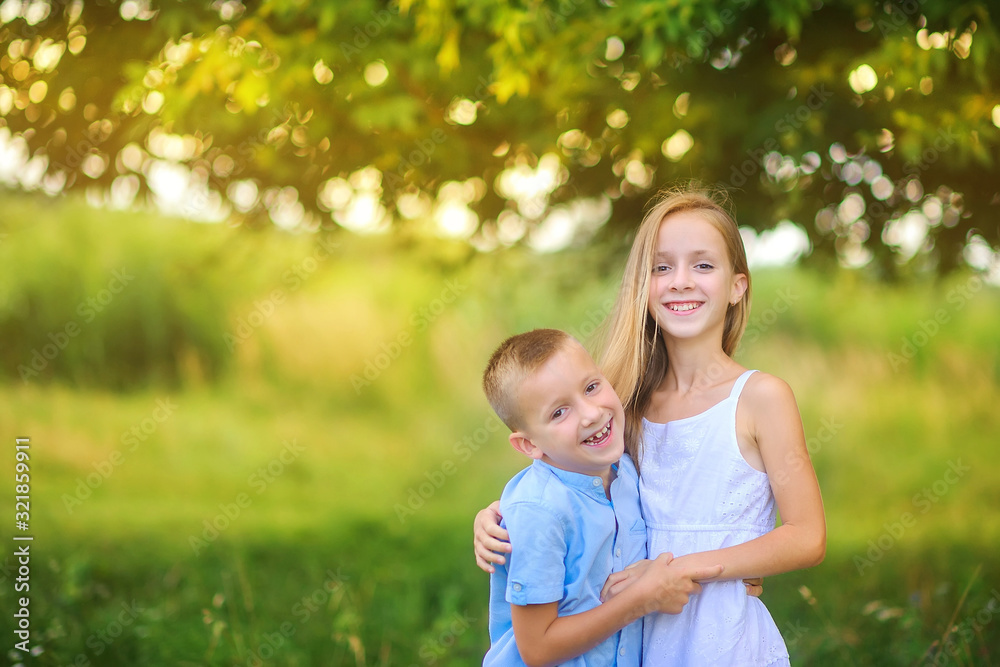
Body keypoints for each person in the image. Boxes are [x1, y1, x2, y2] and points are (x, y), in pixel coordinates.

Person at [475, 187, 826, 666]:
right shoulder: (623, 403)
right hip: (636, 639)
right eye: (662, 267)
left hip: (723, 637)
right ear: (643, 284)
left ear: (738, 285)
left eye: (703, 265)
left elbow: (807, 536)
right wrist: (499, 517)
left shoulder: (761, 398)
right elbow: (571, 489)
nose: (681, 281)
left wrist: (695, 566)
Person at [480, 328, 726, 666]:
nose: (592, 413)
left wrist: (736, 575)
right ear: (529, 445)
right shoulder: (539, 511)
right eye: (559, 412)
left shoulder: (627, 473)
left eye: (591, 387)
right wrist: (640, 599)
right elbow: (537, 650)